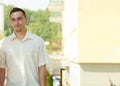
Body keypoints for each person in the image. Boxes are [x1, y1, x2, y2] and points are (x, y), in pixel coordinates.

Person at [0, 7, 50, 86]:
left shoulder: (38, 41)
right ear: (10, 22)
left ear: (25, 20)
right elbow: (1, 70)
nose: (16, 22)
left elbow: (42, 68)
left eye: (19, 19)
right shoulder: (3, 44)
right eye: (13, 19)